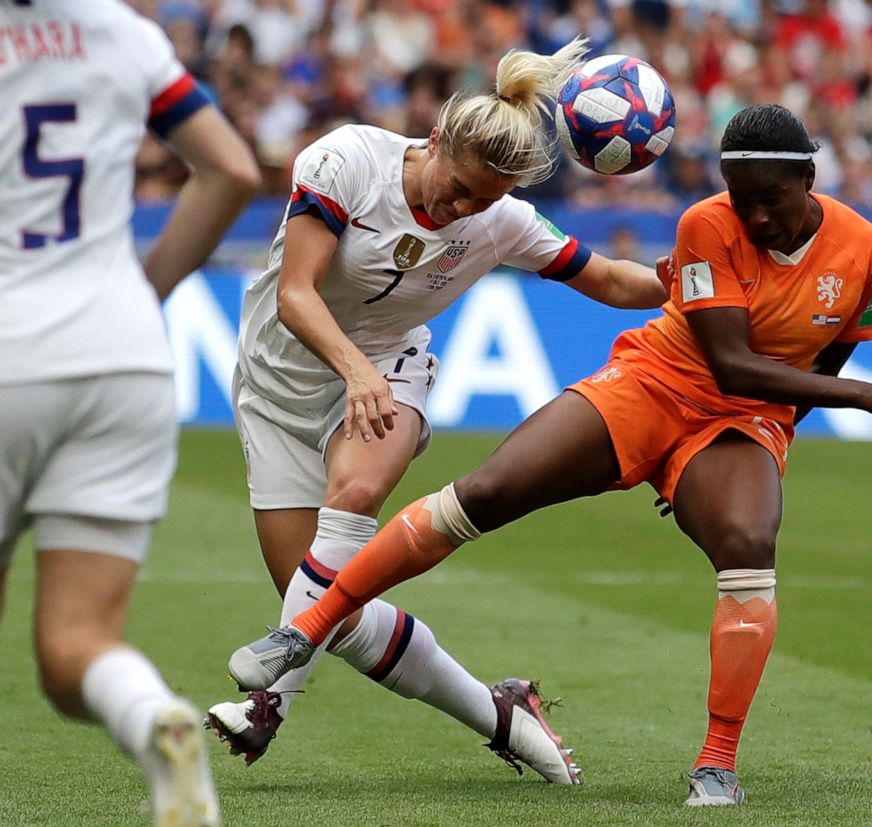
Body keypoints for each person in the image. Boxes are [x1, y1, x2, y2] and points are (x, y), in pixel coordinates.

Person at [228, 103, 872, 805]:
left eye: (770, 200)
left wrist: (755, 450)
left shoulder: (869, 253)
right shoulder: (707, 222)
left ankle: (716, 766)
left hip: (737, 420)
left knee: (747, 542)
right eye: (743, 200)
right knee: (484, 491)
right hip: (653, 381)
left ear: (810, 181)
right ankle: (309, 630)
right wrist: (870, 397)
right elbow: (729, 361)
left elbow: (819, 362)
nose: (755, 217)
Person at [205, 36, 669, 785]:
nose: (460, 210)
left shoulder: (502, 222)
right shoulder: (347, 159)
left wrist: (690, 275)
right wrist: (352, 370)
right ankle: (503, 712)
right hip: (277, 388)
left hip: (390, 370)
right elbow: (296, 295)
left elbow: (613, 281)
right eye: (457, 189)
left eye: (480, 202)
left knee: (353, 497)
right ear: (436, 139)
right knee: (339, 614)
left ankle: (270, 704)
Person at [0, 1, 260, 825]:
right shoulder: (124, 32)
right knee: (76, 647)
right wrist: (139, 297)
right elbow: (231, 170)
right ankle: (151, 715)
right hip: (122, 355)